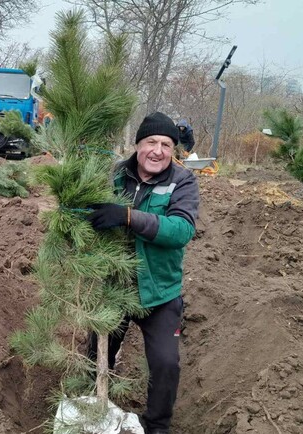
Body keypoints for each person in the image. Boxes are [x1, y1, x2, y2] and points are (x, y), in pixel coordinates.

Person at [86, 112, 200, 434]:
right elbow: (87, 216)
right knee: (96, 352)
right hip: (116, 287)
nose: (158, 150)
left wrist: (127, 217)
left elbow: (180, 230)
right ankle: (94, 406)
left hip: (160, 292)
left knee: (165, 363)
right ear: (137, 145)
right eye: (151, 142)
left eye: (166, 144)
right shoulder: (116, 177)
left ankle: (157, 426)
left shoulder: (183, 181)